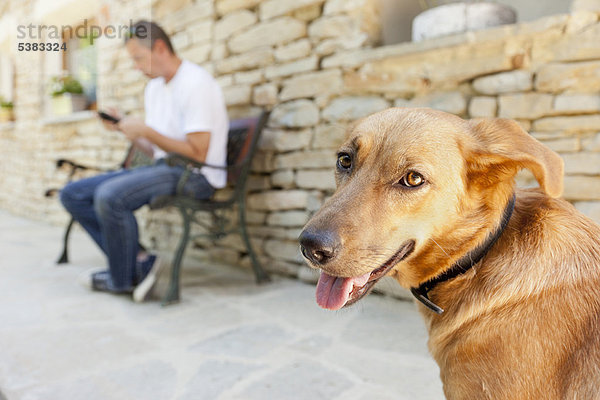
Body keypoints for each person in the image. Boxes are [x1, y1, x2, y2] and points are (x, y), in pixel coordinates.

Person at [60, 20, 229, 302]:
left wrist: (147, 130)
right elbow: (157, 151)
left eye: (138, 58)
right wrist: (128, 131)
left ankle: (120, 279)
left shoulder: (196, 83)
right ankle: (137, 261)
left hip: (197, 175)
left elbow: (198, 153)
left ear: (160, 48)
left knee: (110, 195)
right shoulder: (154, 89)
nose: (137, 67)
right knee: (73, 194)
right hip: (167, 167)